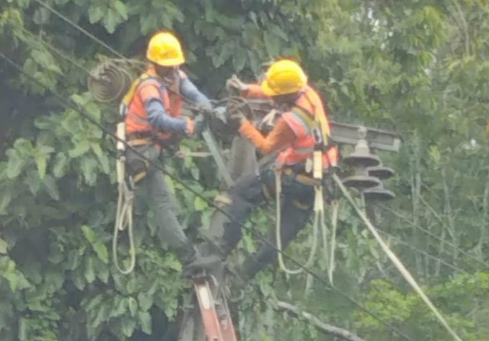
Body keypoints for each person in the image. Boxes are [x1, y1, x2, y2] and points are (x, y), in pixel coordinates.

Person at [203, 59, 338, 280]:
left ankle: (221, 249)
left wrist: (242, 124)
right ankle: (244, 275)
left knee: (243, 191)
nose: (272, 97)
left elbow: (266, 146)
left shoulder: (291, 121)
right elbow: (274, 94)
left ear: (285, 95)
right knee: (281, 236)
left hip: (295, 178)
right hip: (318, 176)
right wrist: (246, 90)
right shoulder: (308, 94)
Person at [122, 31, 220, 277]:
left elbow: (195, 96)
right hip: (141, 150)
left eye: (175, 64)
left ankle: (191, 256)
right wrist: (185, 126)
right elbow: (156, 117)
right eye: (168, 65)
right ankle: (190, 259)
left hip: (156, 147)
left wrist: (207, 109)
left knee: (167, 203)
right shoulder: (149, 86)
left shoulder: (176, 77)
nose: (173, 68)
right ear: (155, 64)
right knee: (164, 204)